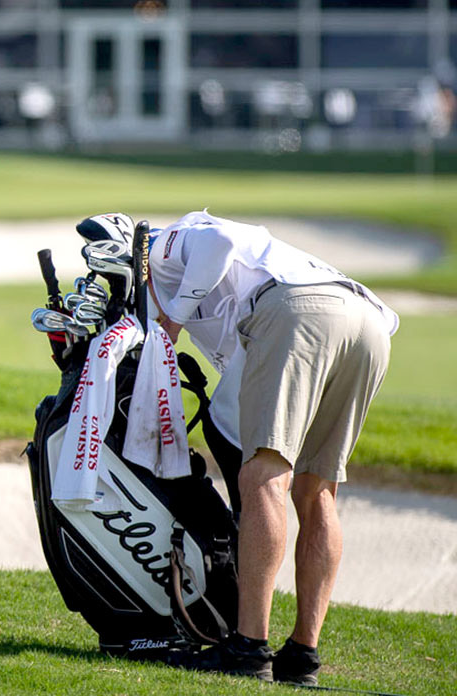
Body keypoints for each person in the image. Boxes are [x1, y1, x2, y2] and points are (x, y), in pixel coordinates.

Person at [79, 212, 397, 685]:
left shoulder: (163, 246)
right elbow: (230, 402)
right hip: (368, 325)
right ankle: (302, 657)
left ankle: (249, 647)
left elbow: (220, 241)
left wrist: (173, 320)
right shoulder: (201, 292)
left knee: (264, 475)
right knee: (316, 492)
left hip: (299, 311)